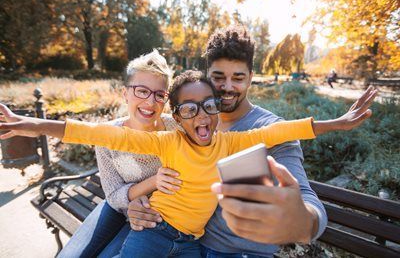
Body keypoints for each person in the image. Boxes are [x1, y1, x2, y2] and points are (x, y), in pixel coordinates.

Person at [0, 69, 377, 257]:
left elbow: (282, 131)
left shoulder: (231, 142)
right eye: (190, 108)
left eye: (209, 106)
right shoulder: (166, 141)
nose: (202, 116)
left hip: (194, 245)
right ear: (176, 117)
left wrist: (338, 123)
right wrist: (31, 124)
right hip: (155, 230)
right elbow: (96, 133)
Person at [127, 26, 376, 257]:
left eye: (238, 78)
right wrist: (138, 203)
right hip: (183, 242)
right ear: (206, 76)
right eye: (218, 77)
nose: (227, 87)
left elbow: (305, 197)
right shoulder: (185, 120)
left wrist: (301, 221)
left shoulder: (270, 130)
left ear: (251, 77)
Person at [56, 49, 181, 257]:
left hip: (153, 215)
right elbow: (113, 195)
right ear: (125, 94)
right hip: (118, 208)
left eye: (160, 95)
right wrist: (153, 182)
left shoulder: (176, 129)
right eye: (141, 91)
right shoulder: (107, 135)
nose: (150, 102)